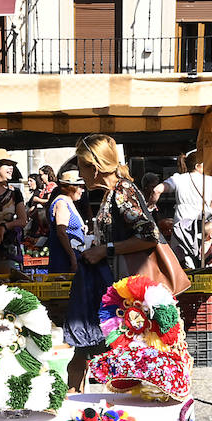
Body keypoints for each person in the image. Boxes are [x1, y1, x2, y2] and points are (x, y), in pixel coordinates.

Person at [67, 133, 165, 390]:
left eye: (81, 167)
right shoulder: (112, 193)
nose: (80, 174)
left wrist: (104, 250)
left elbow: (149, 236)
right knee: (91, 352)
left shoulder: (122, 191)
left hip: (129, 292)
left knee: (127, 355)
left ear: (95, 167)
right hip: (116, 288)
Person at [150, 150, 212, 268]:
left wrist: (150, 207)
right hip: (204, 225)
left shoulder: (178, 179)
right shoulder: (209, 180)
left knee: (182, 262)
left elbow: (157, 190)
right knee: (206, 261)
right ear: (198, 166)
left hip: (182, 226)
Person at [46, 168, 88, 274]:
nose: (82, 190)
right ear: (71, 187)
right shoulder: (61, 203)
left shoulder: (69, 202)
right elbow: (61, 232)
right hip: (64, 259)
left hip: (73, 256)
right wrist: (72, 258)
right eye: (80, 187)